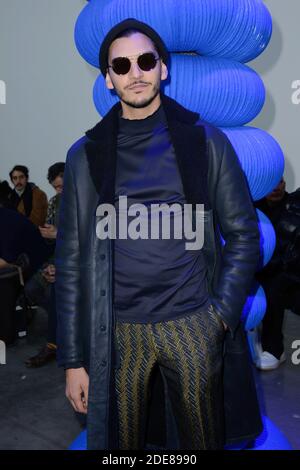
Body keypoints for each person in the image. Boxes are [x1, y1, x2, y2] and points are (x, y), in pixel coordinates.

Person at [55, 18, 262, 450]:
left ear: (163, 68)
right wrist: (74, 360)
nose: (136, 73)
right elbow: (71, 262)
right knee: (123, 448)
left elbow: (243, 234)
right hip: (118, 331)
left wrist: (219, 317)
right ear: (108, 79)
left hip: (191, 323)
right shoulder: (83, 156)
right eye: (122, 65)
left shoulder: (206, 141)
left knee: (199, 444)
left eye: (146, 60)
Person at [255, 178, 300, 370]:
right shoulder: (252, 208)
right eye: (271, 182)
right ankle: (268, 347)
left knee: (275, 285)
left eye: (280, 182)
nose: (276, 187)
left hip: (292, 271)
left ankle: (273, 349)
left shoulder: (295, 205)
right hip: (263, 270)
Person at [25, 163, 65, 367]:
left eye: (61, 186)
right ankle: (61, 325)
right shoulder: (55, 202)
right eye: (55, 187)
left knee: (56, 292)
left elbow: (90, 238)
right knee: (32, 288)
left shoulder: (86, 199)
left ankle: (54, 342)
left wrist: (59, 234)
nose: (58, 191)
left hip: (76, 261)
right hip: (57, 258)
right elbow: (50, 240)